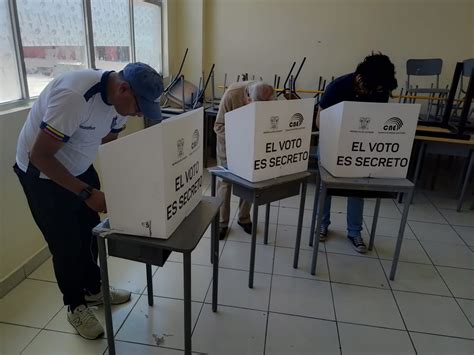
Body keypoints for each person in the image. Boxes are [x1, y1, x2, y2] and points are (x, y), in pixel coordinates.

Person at [13, 63, 164, 339]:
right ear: (123, 89)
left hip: (78, 167)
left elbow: (109, 144)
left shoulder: (120, 105)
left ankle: (93, 289)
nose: (139, 113)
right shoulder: (75, 97)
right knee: (66, 244)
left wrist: (129, 183)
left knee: (91, 234)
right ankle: (75, 305)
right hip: (42, 175)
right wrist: (87, 193)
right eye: (139, 106)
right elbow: (40, 157)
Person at [315, 53, 398, 253]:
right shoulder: (338, 87)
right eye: (371, 87)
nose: (375, 91)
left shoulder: (380, 88)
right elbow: (320, 121)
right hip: (331, 140)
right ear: (360, 77)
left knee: (357, 187)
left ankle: (354, 232)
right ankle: (322, 225)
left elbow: (378, 120)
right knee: (325, 186)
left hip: (359, 143)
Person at [214, 81, 275, 239]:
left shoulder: (268, 97)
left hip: (252, 145)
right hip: (227, 145)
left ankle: (244, 218)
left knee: (249, 180)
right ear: (248, 99)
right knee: (225, 183)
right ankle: (222, 222)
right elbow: (218, 126)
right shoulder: (232, 95)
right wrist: (240, 135)